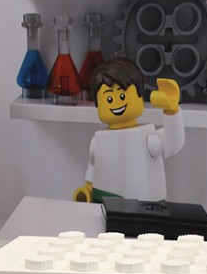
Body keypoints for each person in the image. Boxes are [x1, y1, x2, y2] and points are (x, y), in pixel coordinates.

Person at [75, 57, 183, 202]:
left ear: (140, 96)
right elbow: (93, 165)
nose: (116, 103)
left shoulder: (146, 139)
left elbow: (171, 144)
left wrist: (172, 112)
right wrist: (88, 189)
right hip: (103, 199)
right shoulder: (97, 141)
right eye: (109, 99)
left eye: (122, 96)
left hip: (141, 205)